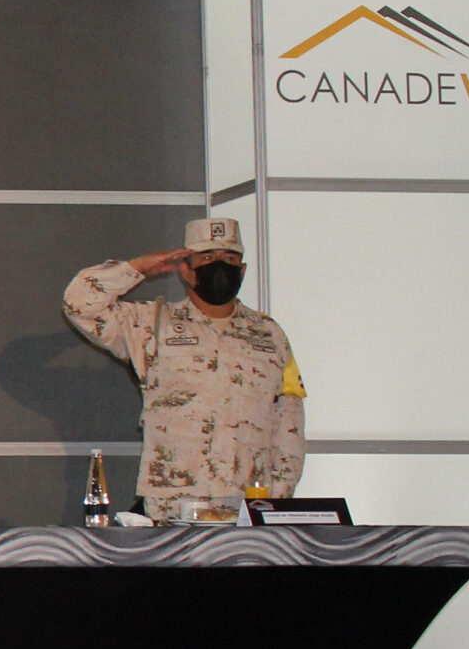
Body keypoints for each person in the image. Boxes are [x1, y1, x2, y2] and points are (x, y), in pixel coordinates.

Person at [63, 217, 306, 519]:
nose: (220, 266)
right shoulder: (151, 324)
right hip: (173, 502)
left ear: (242, 270)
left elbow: (289, 419)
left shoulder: (269, 334)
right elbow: (79, 303)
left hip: (249, 502)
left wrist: (280, 498)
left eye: (230, 259)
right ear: (186, 271)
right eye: (207, 258)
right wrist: (137, 268)